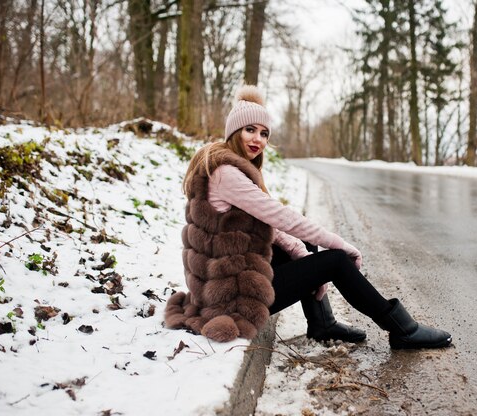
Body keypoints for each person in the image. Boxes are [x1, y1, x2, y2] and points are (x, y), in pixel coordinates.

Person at [164, 85, 452, 350]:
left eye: (264, 133)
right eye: (250, 129)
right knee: (336, 262)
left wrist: (302, 254)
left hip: (223, 283)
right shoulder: (227, 174)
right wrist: (340, 245)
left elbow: (272, 227)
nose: (258, 139)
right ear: (233, 132)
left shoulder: (225, 169)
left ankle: (322, 323)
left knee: (305, 243)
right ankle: (402, 329)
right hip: (232, 299)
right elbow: (280, 216)